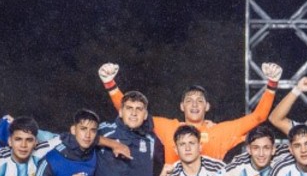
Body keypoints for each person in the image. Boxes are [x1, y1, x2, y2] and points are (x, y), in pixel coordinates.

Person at [98, 62, 283, 162]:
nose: (194, 105)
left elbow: (258, 117)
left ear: (207, 107)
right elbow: (132, 113)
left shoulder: (220, 131)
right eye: (189, 101)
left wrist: (272, 84)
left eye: (199, 101)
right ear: (182, 106)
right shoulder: (169, 127)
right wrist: (110, 84)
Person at [97, 91, 165, 176]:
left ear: (145, 115)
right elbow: (79, 136)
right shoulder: (105, 130)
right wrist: (113, 144)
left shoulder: (153, 140)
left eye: (139, 109)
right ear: (120, 112)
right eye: (129, 108)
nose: (134, 113)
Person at [32, 110, 102, 176]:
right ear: (73, 130)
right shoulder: (52, 159)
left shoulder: (96, 153)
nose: (88, 135)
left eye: (93, 130)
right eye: (83, 129)